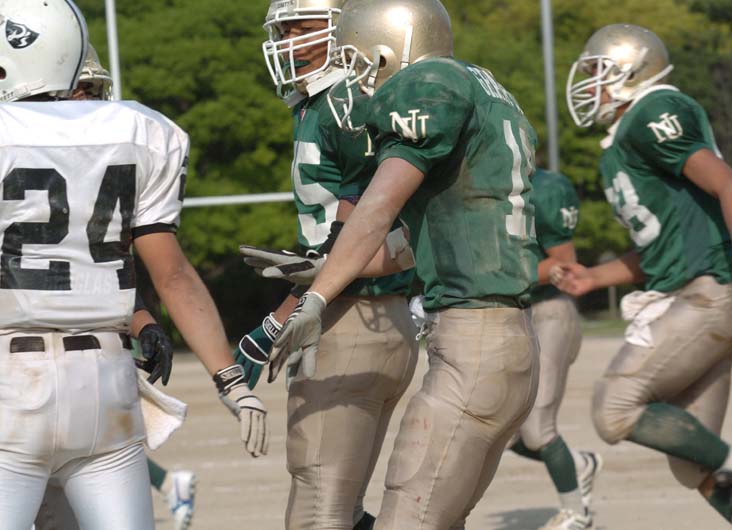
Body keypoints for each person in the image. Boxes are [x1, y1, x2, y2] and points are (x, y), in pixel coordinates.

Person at [271, 1, 541, 528]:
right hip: (508, 342)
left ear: (386, 49)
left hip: (472, 346)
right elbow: (418, 241)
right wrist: (329, 269)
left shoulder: (426, 84)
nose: (355, 78)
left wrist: (318, 298)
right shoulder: (484, 86)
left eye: (355, 60)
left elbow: (376, 209)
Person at [0, 2, 267, 530]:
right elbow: (173, 275)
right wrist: (231, 379)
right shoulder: (141, 129)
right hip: (106, 390)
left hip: (12, 384)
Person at [557, 23, 732, 530]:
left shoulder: (652, 111)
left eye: (598, 72)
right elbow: (662, 243)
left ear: (630, 72)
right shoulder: (627, 136)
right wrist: (594, 278)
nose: (590, 84)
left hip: (708, 294)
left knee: (612, 409)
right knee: (695, 466)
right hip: (704, 295)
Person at [235, 1, 418, 528]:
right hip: (371, 317)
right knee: (343, 508)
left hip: (348, 318)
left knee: (316, 513)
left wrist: (278, 319)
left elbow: (358, 231)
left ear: (349, 32)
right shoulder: (320, 102)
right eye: (283, 30)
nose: (288, 41)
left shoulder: (346, 101)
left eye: (304, 27)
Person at [31, 45, 198, 530]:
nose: (87, 102)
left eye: (91, 90)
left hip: (78, 367)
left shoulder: (97, 165)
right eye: (75, 91)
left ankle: (167, 484)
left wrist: (144, 323)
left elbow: (102, 271)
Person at [507, 167, 602, 530]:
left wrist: (493, 275)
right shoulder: (475, 183)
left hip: (548, 312)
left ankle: (576, 512)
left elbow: (565, 263)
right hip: (510, 316)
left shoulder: (545, 188)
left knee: (537, 427)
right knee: (501, 432)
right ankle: (578, 464)